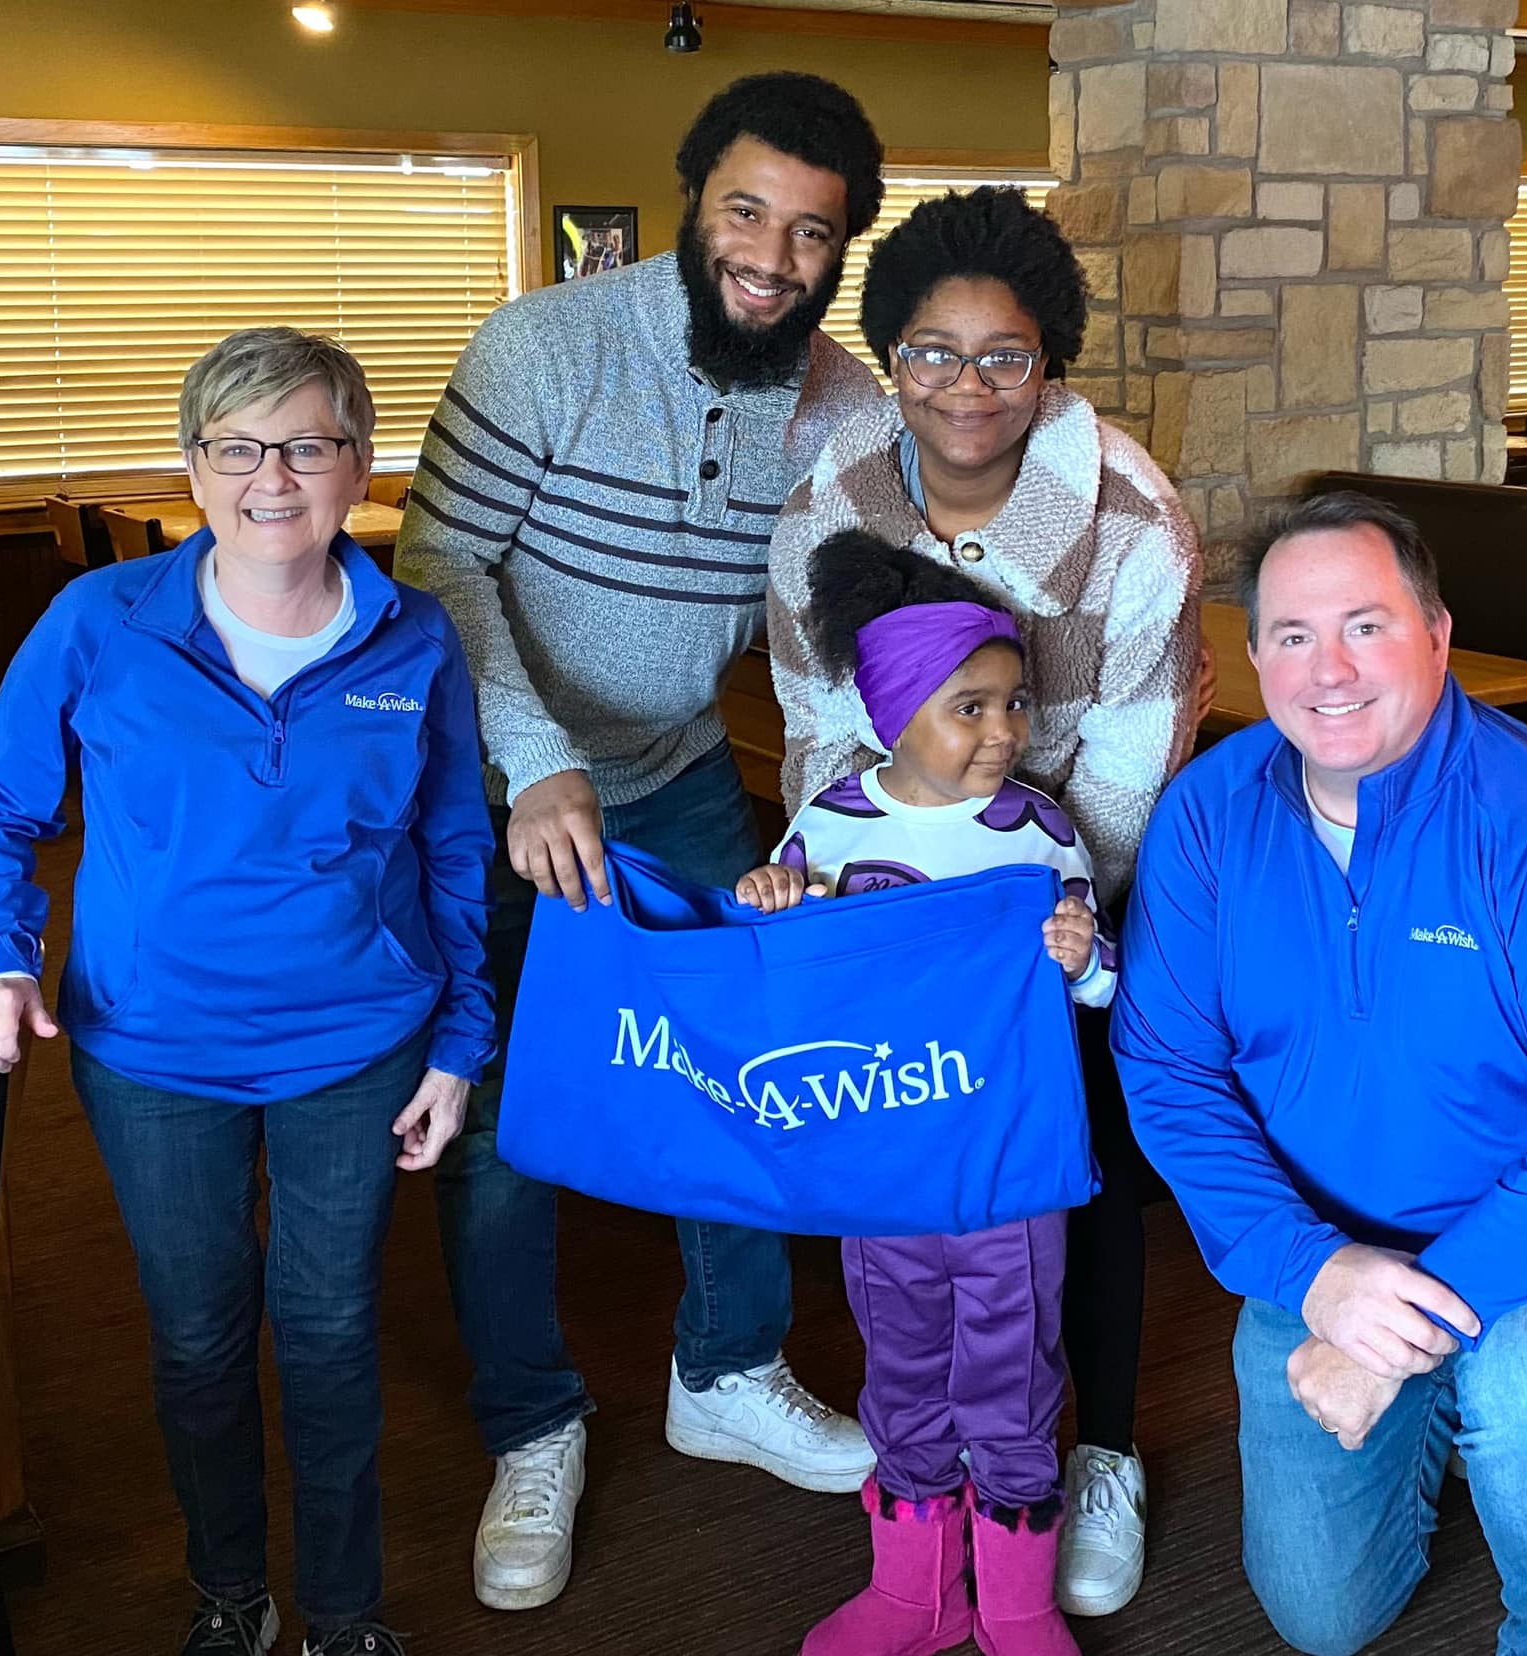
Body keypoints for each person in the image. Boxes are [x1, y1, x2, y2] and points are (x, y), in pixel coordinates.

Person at [393, 71, 885, 1612]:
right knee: (503, 1109)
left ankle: (727, 1368)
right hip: (492, 775)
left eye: (812, 232)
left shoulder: (850, 406)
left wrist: (843, 811)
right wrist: (533, 760)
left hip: (676, 773)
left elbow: (834, 635)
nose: (773, 255)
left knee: (739, 1063)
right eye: (746, 211)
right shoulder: (542, 346)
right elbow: (439, 572)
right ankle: (531, 1423)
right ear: (693, 201)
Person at [0, 328, 496, 1656]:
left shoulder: (416, 638)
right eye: (238, 447)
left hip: (358, 1044)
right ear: (194, 469)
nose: (272, 477)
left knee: (331, 1330)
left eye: (307, 444)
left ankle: (345, 1616)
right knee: (197, 1337)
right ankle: (230, 1595)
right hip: (153, 1049)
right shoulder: (100, 622)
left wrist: (461, 1038)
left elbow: (453, 847)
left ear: (358, 465)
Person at [1112, 490, 1527, 1656]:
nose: (1327, 669)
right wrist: (1315, 1275)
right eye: (1292, 634)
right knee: (1318, 1615)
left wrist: (1407, 1318)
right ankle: (1440, 1387)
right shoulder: (1204, 818)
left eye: (1365, 625)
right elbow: (1167, 1071)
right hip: (1324, 1242)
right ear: (1253, 657)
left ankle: (1517, 1467)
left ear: (1435, 636)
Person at [766, 184, 1207, 1616]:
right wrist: (872, 897)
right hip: (897, 892)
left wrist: (1035, 920)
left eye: (1005, 354)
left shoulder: (1131, 517)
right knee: (902, 1192)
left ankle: (1099, 1451)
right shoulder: (832, 501)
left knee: (1083, 1161)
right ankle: (921, 1481)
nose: (968, 386)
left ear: (1049, 359)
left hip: (1052, 887)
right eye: (932, 353)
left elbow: (1130, 766)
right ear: (889, 357)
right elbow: (819, 723)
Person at [740, 532, 1114, 1656]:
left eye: (1014, 704)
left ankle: (1015, 1602)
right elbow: (780, 985)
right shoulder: (829, 826)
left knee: (1013, 1366)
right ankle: (915, 1593)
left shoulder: (1041, 834)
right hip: (884, 1170)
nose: (1005, 732)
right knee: (899, 1361)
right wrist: (769, 905)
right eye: (970, 708)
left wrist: (1079, 955)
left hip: (1007, 1169)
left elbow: (1101, 983)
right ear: (893, 712)